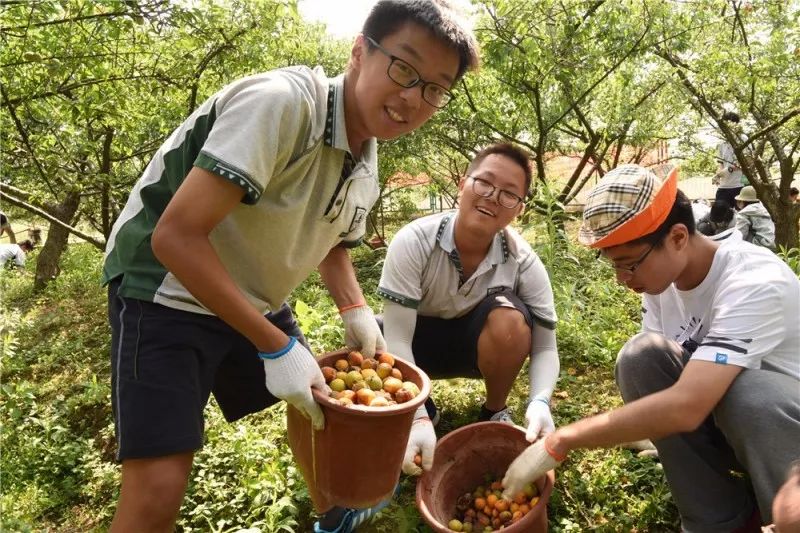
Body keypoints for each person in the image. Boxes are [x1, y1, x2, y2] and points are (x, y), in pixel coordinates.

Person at [101, 1, 479, 531]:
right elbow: (175, 237)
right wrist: (275, 346)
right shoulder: (282, 105)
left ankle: (332, 511)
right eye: (404, 68)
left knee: (319, 401)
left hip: (252, 292)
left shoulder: (365, 157)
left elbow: (332, 239)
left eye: (435, 88)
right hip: (165, 288)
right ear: (358, 51)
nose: (414, 97)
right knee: (159, 485)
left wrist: (355, 309)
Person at [502, 164, 800, 531]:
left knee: (750, 393)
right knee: (641, 358)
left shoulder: (754, 281)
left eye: (629, 265)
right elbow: (669, 386)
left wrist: (561, 441)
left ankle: (781, 519)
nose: (622, 280)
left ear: (677, 237)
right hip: (729, 424)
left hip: (783, 437)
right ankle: (717, 520)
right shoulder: (665, 283)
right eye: (615, 267)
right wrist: (641, 428)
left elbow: (687, 406)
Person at [378, 143, 559, 476]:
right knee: (371, 338)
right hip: (417, 344)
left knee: (511, 320)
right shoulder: (415, 240)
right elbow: (399, 338)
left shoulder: (523, 260)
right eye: (484, 183)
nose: (492, 197)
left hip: (477, 348)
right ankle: (423, 410)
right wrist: (413, 412)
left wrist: (540, 401)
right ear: (463, 184)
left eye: (509, 194)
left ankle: (493, 410)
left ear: (519, 208)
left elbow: (546, 346)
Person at [713, 111, 748, 207]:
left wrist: (728, 169)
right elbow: (720, 164)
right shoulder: (721, 143)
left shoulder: (743, 139)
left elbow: (746, 161)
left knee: (740, 215)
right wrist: (717, 175)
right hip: (724, 187)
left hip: (739, 185)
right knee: (720, 215)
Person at [734, 185, 776, 250]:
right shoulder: (764, 208)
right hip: (773, 243)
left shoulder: (744, 212)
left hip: (760, 244)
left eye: (739, 201)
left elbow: (740, 234)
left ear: (743, 201)